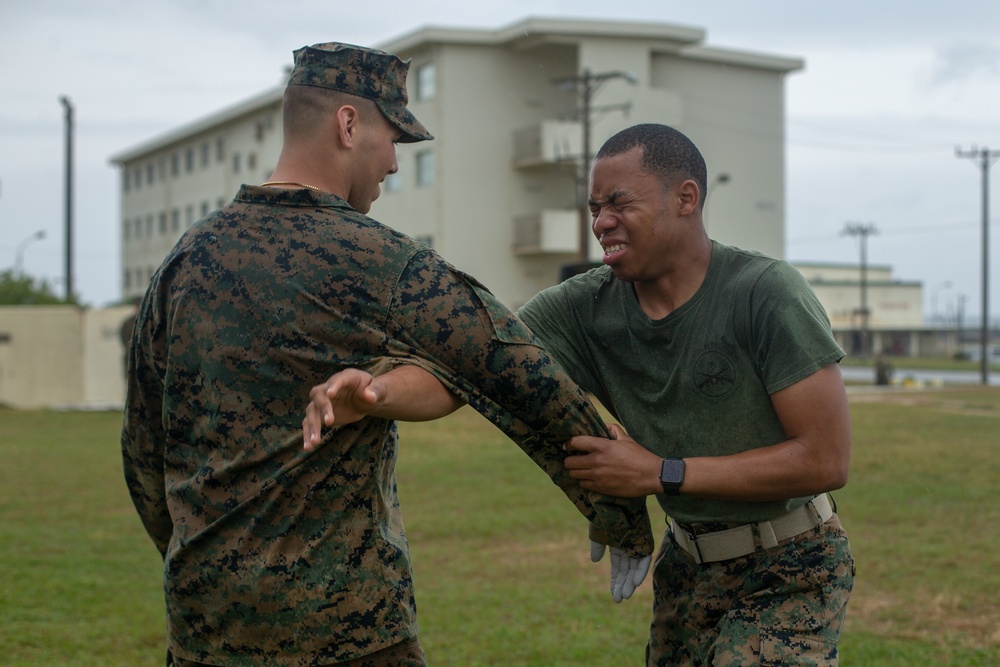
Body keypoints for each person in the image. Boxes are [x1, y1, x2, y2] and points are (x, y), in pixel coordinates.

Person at [121, 43, 652, 667]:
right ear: (348, 125)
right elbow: (514, 364)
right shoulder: (376, 260)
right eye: (393, 137)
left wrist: (201, 566)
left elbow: (143, 452)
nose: (395, 164)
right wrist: (617, 508)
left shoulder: (185, 260)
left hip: (203, 634)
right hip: (348, 635)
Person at [305, 123, 855, 665]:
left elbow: (824, 460)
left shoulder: (765, 293)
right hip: (688, 565)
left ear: (686, 198)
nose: (602, 223)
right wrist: (375, 393)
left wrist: (661, 472)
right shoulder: (582, 307)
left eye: (619, 203)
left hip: (789, 565)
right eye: (594, 208)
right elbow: (465, 373)